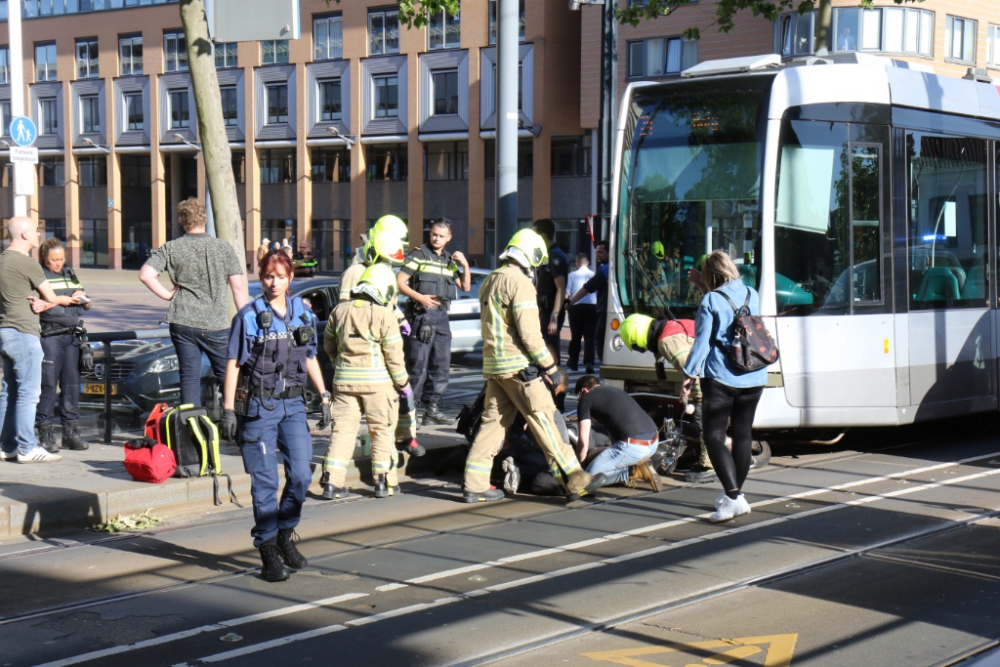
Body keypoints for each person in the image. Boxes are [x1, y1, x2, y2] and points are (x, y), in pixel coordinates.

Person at [463, 229, 604, 503]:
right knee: (546, 420)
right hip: (519, 367)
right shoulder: (520, 283)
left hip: (495, 367)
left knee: (492, 425)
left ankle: (474, 484)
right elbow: (529, 333)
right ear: (531, 256)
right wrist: (549, 367)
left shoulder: (491, 279)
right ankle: (575, 480)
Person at [219, 250, 331, 583]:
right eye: (268, 276)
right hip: (259, 409)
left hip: (293, 407)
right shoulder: (249, 316)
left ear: (290, 278)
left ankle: (285, 534)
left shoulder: (303, 315)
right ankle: (268, 550)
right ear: (261, 277)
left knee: (300, 475)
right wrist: (228, 410)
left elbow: (309, 357)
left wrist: (323, 395)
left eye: (280, 276)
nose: (273, 282)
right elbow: (232, 365)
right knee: (265, 482)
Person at [682, 250, 767, 522]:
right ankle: (736, 495)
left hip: (721, 377)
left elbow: (703, 343)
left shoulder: (709, 300)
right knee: (743, 435)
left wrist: (688, 373)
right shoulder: (752, 294)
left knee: (714, 436)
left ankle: (732, 497)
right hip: (755, 375)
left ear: (710, 276)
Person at [140, 198, 248, 407]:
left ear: (182, 221)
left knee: (189, 379)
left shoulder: (171, 248)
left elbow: (146, 275)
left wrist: (167, 295)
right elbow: (239, 287)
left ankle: (192, 432)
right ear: (205, 219)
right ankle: (236, 424)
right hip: (215, 324)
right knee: (228, 376)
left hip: (182, 321)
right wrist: (244, 320)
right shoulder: (222, 247)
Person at [322, 263, 412, 500]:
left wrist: (339, 367)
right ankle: (384, 483)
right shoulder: (385, 315)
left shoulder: (338, 312)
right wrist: (403, 384)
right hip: (378, 386)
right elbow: (394, 358)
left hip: (343, 384)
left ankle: (332, 482)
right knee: (381, 431)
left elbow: (329, 346)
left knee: (342, 431)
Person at [338, 227, 423, 458]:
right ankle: (387, 466)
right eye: (386, 260)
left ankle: (406, 436)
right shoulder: (355, 273)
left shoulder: (382, 272)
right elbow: (347, 311)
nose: (389, 266)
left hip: (387, 339)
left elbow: (390, 304)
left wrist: (401, 319)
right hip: (371, 349)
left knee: (403, 391)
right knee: (386, 407)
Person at [0, 217, 80, 463]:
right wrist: (57, 300)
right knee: (28, 393)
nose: (38, 235)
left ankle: (6, 446)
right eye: (36, 231)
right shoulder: (27, 264)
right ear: (23, 234)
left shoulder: (2, 260)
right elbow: (52, 296)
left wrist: (37, 300)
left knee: (8, 391)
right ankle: (28, 447)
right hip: (24, 333)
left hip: (5, 331)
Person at [618, 314, 714, 483]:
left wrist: (699, 400)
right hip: (728, 367)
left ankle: (708, 463)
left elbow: (694, 371)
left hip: (716, 376)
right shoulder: (671, 325)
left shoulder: (667, 342)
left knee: (702, 417)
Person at [398, 218, 471, 426]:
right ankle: (406, 413)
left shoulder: (448, 260)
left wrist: (464, 264)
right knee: (417, 367)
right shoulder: (419, 254)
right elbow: (399, 281)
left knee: (441, 366)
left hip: (441, 317)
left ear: (449, 238)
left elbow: (465, 286)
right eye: (433, 234)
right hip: (422, 316)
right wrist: (420, 297)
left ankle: (431, 411)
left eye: (441, 236)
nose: (436, 238)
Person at [34, 239, 91, 453]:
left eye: (61, 259)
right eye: (54, 260)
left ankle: (70, 432)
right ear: (44, 258)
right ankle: (45, 433)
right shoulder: (40, 275)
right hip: (50, 337)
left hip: (72, 337)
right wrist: (60, 300)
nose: (58, 263)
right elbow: (37, 306)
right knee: (48, 386)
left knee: (71, 385)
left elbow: (89, 303)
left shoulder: (69, 273)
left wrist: (82, 298)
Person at [573, 375, 662, 491]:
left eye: (579, 396)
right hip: (653, 442)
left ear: (584, 390)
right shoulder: (616, 391)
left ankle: (634, 471)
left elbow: (583, 441)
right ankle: (637, 464)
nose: (580, 400)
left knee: (588, 480)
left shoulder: (586, 399)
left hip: (634, 446)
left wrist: (582, 466)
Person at [531, 219, 569, 365]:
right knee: (544, 349)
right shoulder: (546, 255)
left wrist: (554, 317)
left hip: (550, 311)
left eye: (535, 234)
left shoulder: (555, 257)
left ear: (543, 235)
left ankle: (556, 381)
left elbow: (560, 288)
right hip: (543, 310)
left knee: (550, 349)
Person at [570, 240, 609, 361]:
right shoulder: (614, 267)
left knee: (600, 341)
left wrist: (570, 302)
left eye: (601, 252)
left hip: (604, 312)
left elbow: (587, 288)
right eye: (597, 252)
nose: (598, 255)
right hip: (602, 309)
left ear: (610, 252)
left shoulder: (605, 270)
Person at [565, 253, 596, 373]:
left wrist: (566, 304)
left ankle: (573, 361)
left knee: (576, 336)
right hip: (592, 306)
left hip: (576, 307)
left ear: (577, 264)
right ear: (587, 263)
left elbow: (567, 293)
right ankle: (589, 363)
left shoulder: (572, 275)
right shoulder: (593, 275)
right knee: (590, 337)